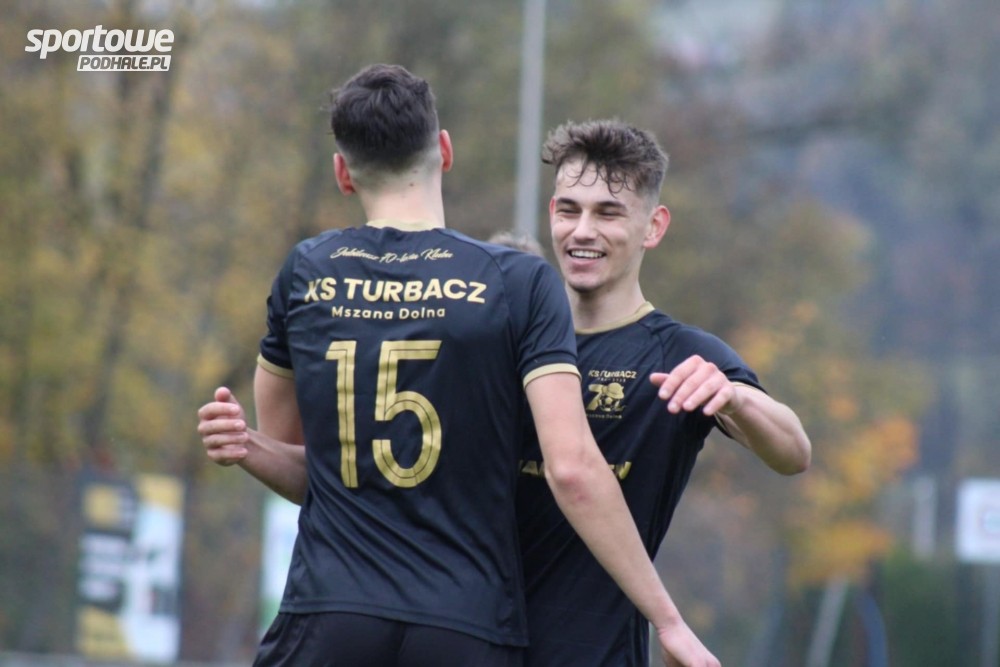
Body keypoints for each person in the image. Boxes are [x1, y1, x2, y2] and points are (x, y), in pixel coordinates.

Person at [197, 66, 720, 667]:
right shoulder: (516, 282)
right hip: (467, 623)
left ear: (342, 172)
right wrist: (667, 621)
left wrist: (249, 447)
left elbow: (311, 474)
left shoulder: (306, 271)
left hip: (330, 613)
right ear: (444, 152)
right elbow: (572, 469)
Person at [514, 119, 812, 666]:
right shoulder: (509, 342)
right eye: (569, 210)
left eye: (608, 213)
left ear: (653, 226)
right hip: (476, 647)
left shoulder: (679, 354)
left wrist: (735, 398)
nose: (582, 231)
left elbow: (794, 452)